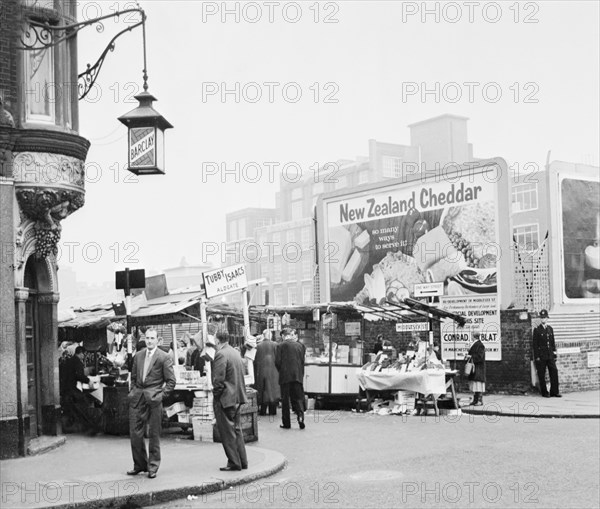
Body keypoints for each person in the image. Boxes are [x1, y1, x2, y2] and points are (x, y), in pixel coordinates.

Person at [127, 327, 176, 479]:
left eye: (152, 338)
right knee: (135, 433)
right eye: (147, 338)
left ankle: (152, 466)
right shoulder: (138, 355)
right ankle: (139, 464)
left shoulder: (163, 357)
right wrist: (133, 391)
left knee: (154, 433)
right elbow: (134, 377)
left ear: (157, 340)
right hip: (138, 398)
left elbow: (171, 381)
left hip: (154, 399)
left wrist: (161, 395)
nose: (149, 341)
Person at [212, 332, 249, 471]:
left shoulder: (221, 354)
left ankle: (234, 462)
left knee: (228, 433)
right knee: (237, 430)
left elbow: (218, 380)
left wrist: (216, 396)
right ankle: (242, 461)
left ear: (217, 340)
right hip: (237, 397)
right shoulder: (234, 352)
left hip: (226, 398)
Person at [60, 346, 102, 434]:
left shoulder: (68, 361)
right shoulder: (78, 362)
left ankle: (73, 427)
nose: (84, 356)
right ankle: (90, 427)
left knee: (72, 408)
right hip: (71, 389)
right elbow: (79, 376)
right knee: (83, 404)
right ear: (80, 353)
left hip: (64, 388)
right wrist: (88, 380)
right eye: (84, 354)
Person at [275, 327, 306, 430]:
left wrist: (282, 370)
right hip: (297, 376)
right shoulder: (300, 346)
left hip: (285, 376)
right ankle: (300, 417)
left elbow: (277, 362)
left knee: (285, 400)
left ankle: (286, 423)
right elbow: (302, 361)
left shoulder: (280, 346)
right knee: (298, 398)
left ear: (283, 336)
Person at [532, 309, 561, 398]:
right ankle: (544, 392)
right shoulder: (537, 330)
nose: (543, 319)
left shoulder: (550, 329)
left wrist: (554, 353)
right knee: (542, 374)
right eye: (541, 317)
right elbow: (535, 345)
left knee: (554, 372)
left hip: (550, 355)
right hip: (541, 356)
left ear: (547, 318)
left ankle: (554, 391)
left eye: (544, 317)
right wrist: (537, 357)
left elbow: (552, 343)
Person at [254, 331, 280, 416]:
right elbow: (278, 359)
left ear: (263, 336)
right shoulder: (275, 345)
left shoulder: (258, 346)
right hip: (274, 371)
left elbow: (255, 360)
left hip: (261, 371)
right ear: (270, 336)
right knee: (272, 389)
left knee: (263, 389)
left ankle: (263, 410)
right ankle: (273, 410)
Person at [467, 334, 486, 406]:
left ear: (474, 337)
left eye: (471, 336)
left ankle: (479, 400)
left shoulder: (480, 345)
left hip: (478, 368)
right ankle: (475, 400)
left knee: (478, 384)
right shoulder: (476, 344)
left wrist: (471, 356)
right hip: (475, 367)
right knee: (475, 385)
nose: (471, 337)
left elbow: (480, 357)